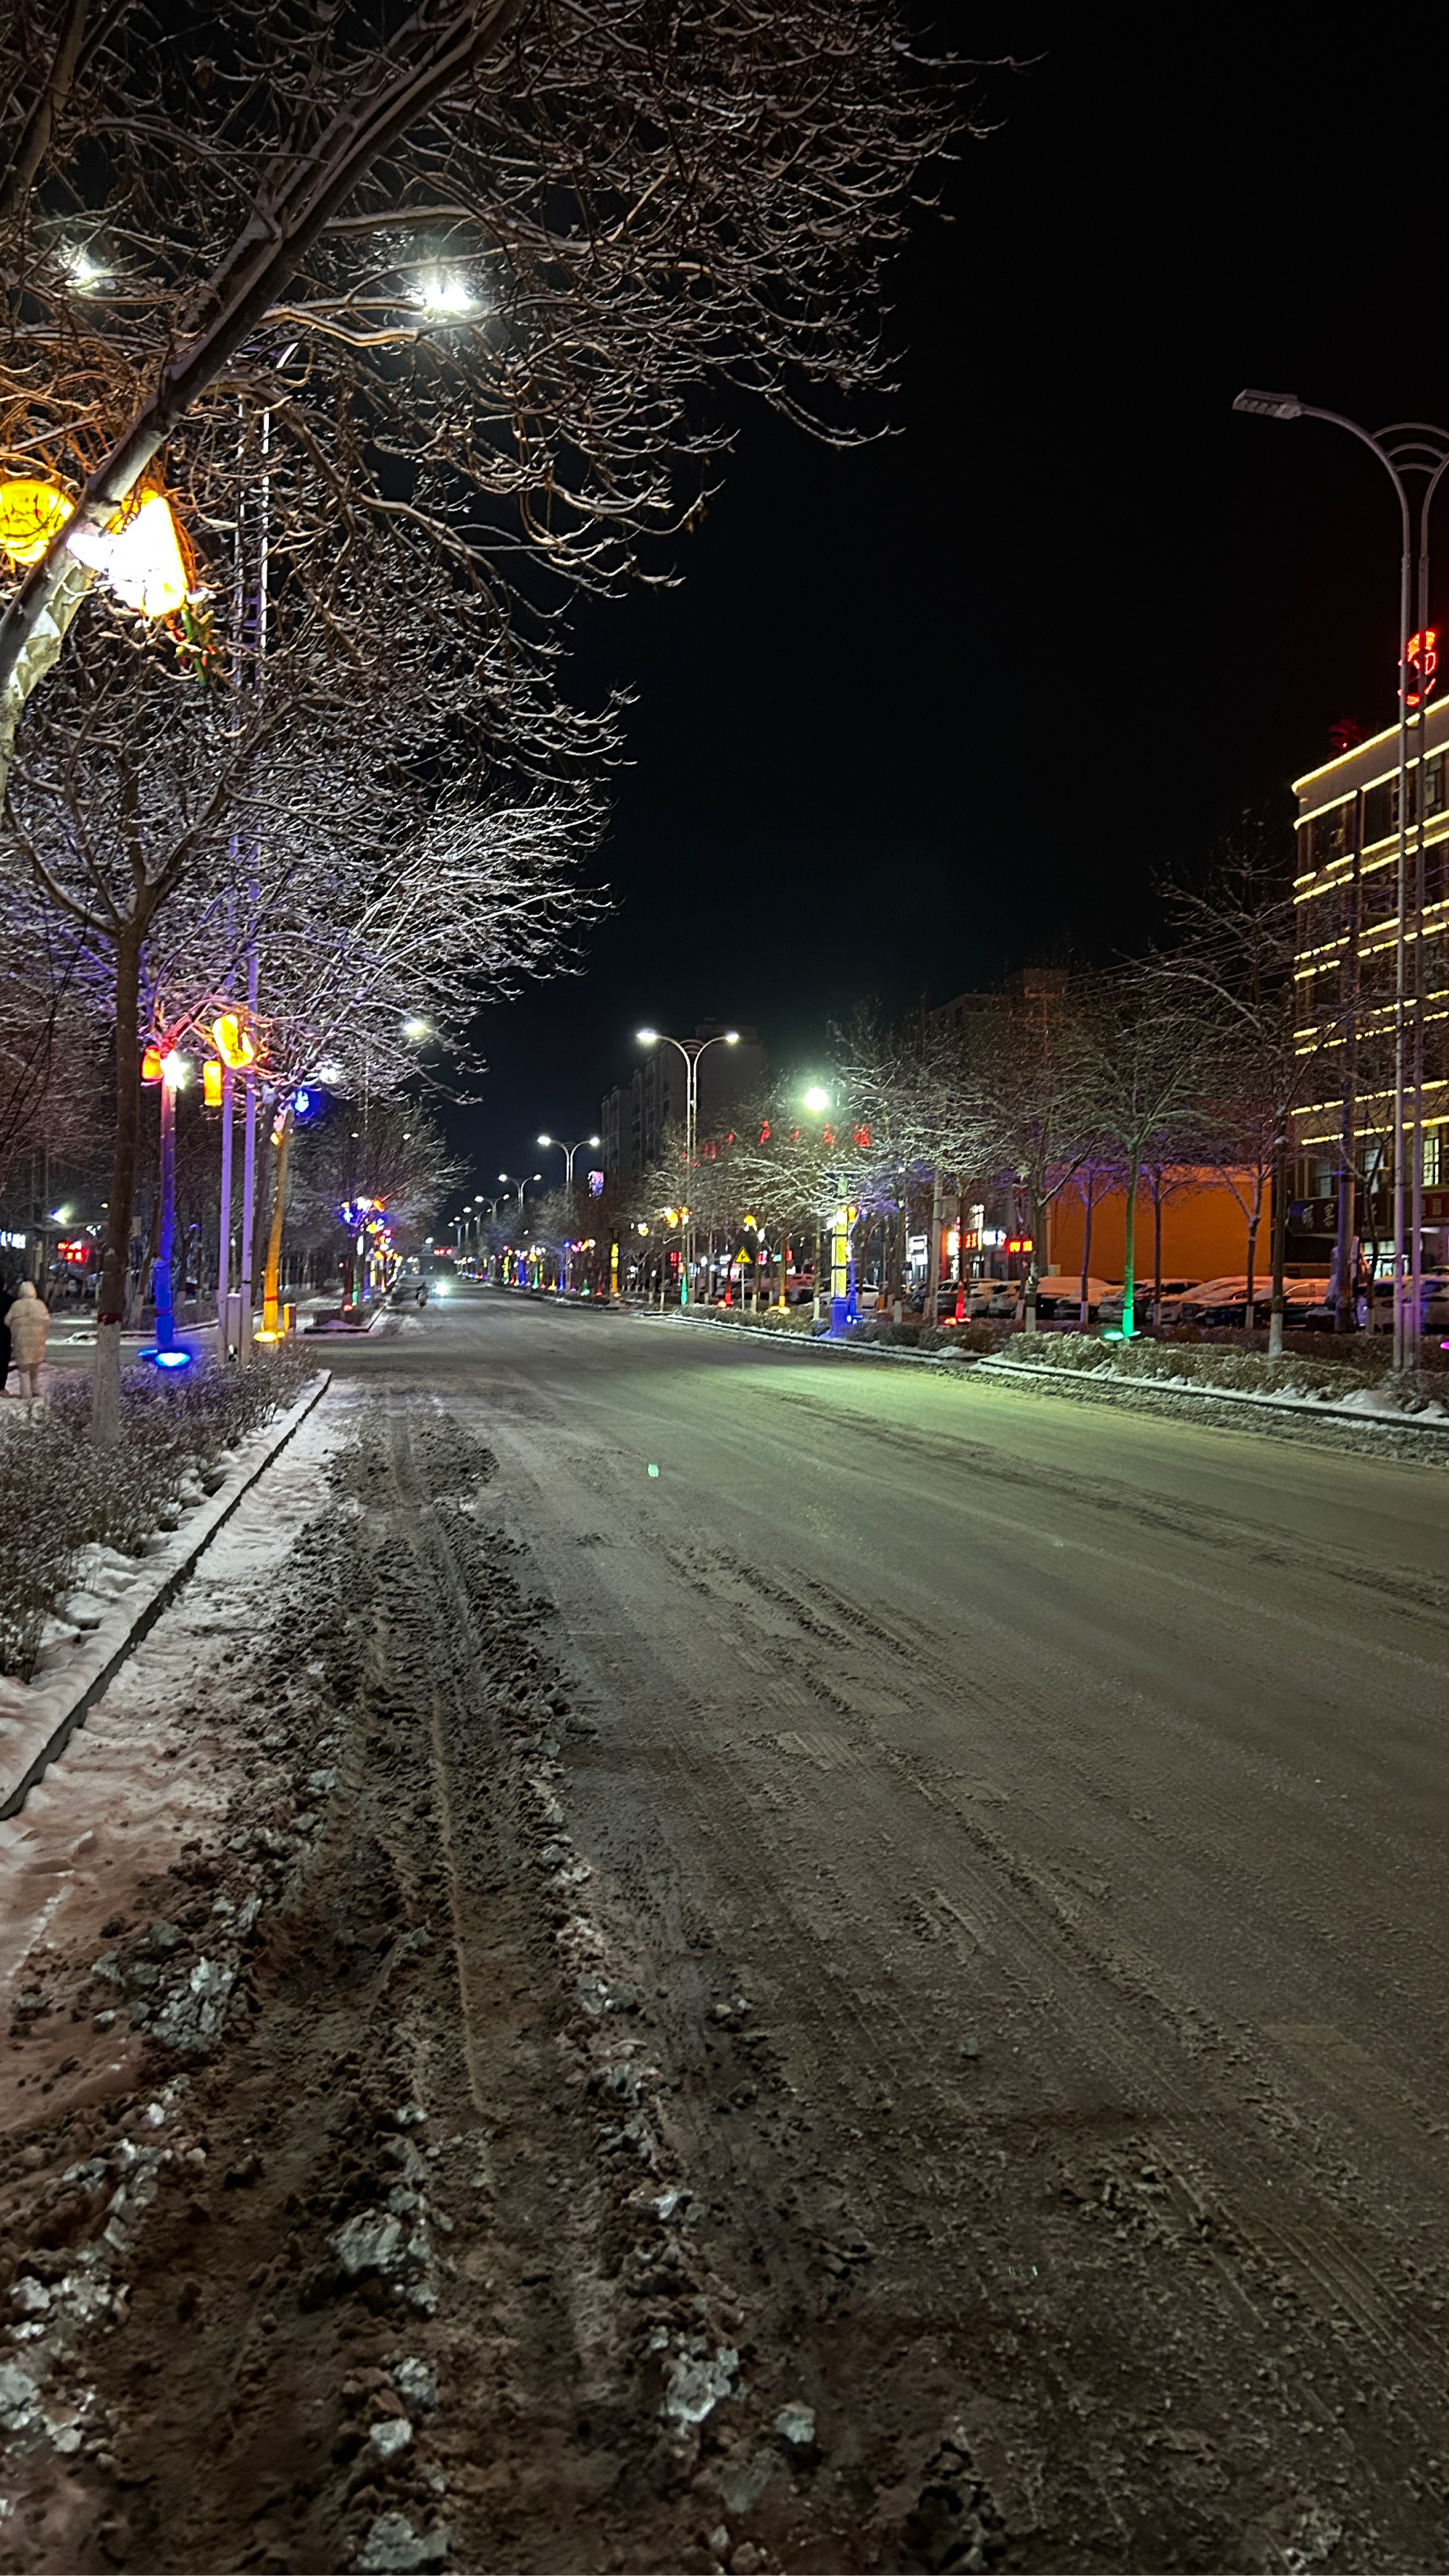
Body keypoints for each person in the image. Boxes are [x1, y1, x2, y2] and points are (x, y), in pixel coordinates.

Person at [5, 1278, 49, 1406]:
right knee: (35, 1368)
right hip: (37, 1343)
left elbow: (7, 1321)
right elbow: (47, 1321)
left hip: (22, 1343)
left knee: (24, 1370)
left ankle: (26, 1394)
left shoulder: (17, 1306)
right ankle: (35, 1390)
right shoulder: (40, 1305)